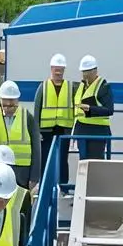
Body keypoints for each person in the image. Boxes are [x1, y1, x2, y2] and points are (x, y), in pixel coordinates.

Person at [0, 81, 40, 188]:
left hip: (23, 174)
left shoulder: (27, 117)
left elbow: (36, 148)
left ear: (17, 100)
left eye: (12, 101)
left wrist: (34, 177)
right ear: (0, 99)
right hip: (0, 169)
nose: (8, 105)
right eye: (5, 101)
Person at [37, 53, 75, 187]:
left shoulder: (70, 87)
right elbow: (37, 109)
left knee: (62, 159)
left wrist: (73, 131)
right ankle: (45, 185)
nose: (58, 72)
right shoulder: (43, 87)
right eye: (56, 69)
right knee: (45, 159)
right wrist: (37, 131)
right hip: (46, 131)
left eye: (61, 69)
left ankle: (63, 186)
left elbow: (76, 109)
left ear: (64, 70)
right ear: (51, 69)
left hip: (64, 131)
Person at [73, 54, 114, 162]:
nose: (85, 75)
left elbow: (109, 110)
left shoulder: (103, 87)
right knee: (83, 162)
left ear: (95, 71)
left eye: (87, 72)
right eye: (83, 72)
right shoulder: (81, 86)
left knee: (96, 163)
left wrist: (90, 109)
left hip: (97, 132)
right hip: (82, 131)